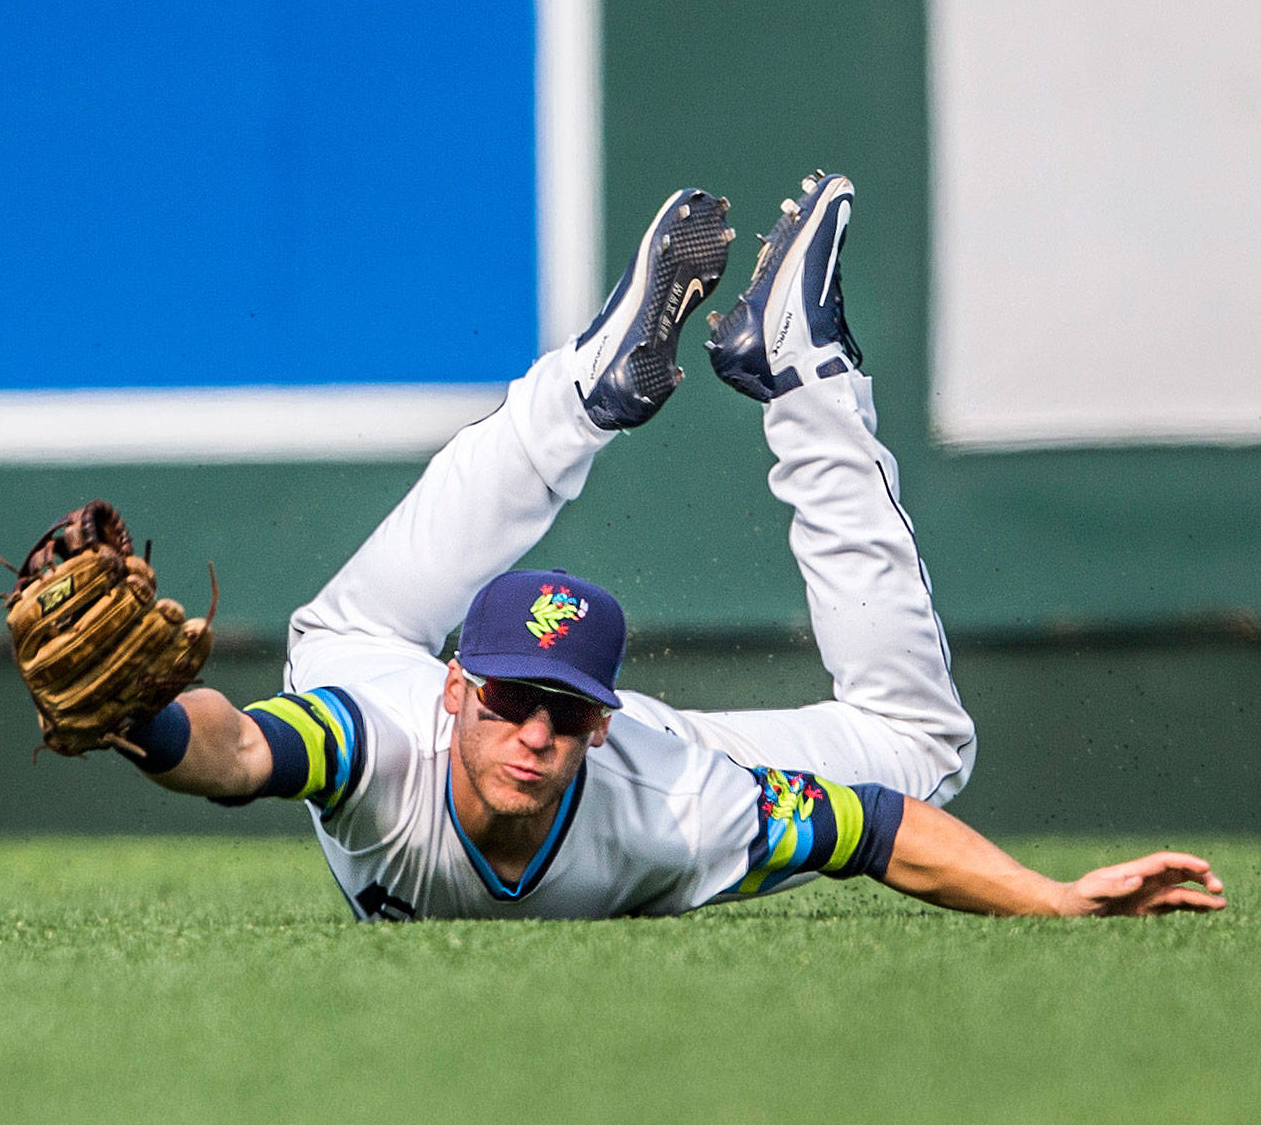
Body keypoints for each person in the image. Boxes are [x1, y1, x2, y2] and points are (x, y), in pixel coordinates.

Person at [108, 175, 1225, 921]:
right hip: (364, 651)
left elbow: (876, 825)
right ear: (460, 693)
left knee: (917, 754)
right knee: (358, 620)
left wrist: (1053, 900)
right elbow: (243, 753)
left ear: (602, 719)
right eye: (509, 702)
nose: (534, 734)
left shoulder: (671, 801)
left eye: (562, 710)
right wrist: (144, 723)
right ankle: (706, 388)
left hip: (649, 757)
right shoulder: (375, 745)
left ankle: (771, 371)